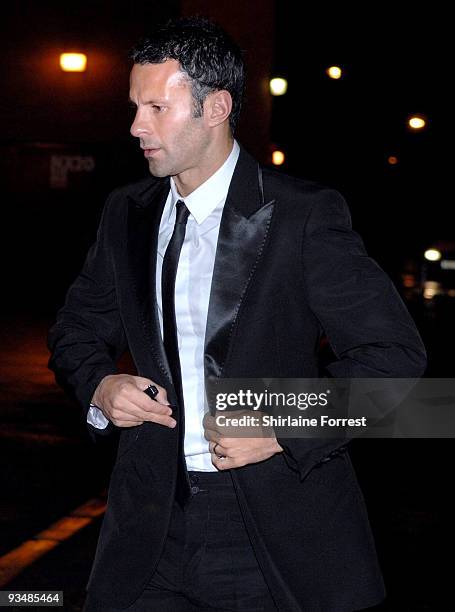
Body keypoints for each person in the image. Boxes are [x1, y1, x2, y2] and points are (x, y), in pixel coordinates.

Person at [48, 16, 427, 612]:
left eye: (155, 107)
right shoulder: (127, 211)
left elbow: (397, 363)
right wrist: (100, 385)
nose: (135, 126)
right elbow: (75, 330)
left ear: (216, 106)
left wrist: (277, 426)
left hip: (272, 530)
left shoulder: (303, 214)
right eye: (133, 106)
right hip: (149, 527)